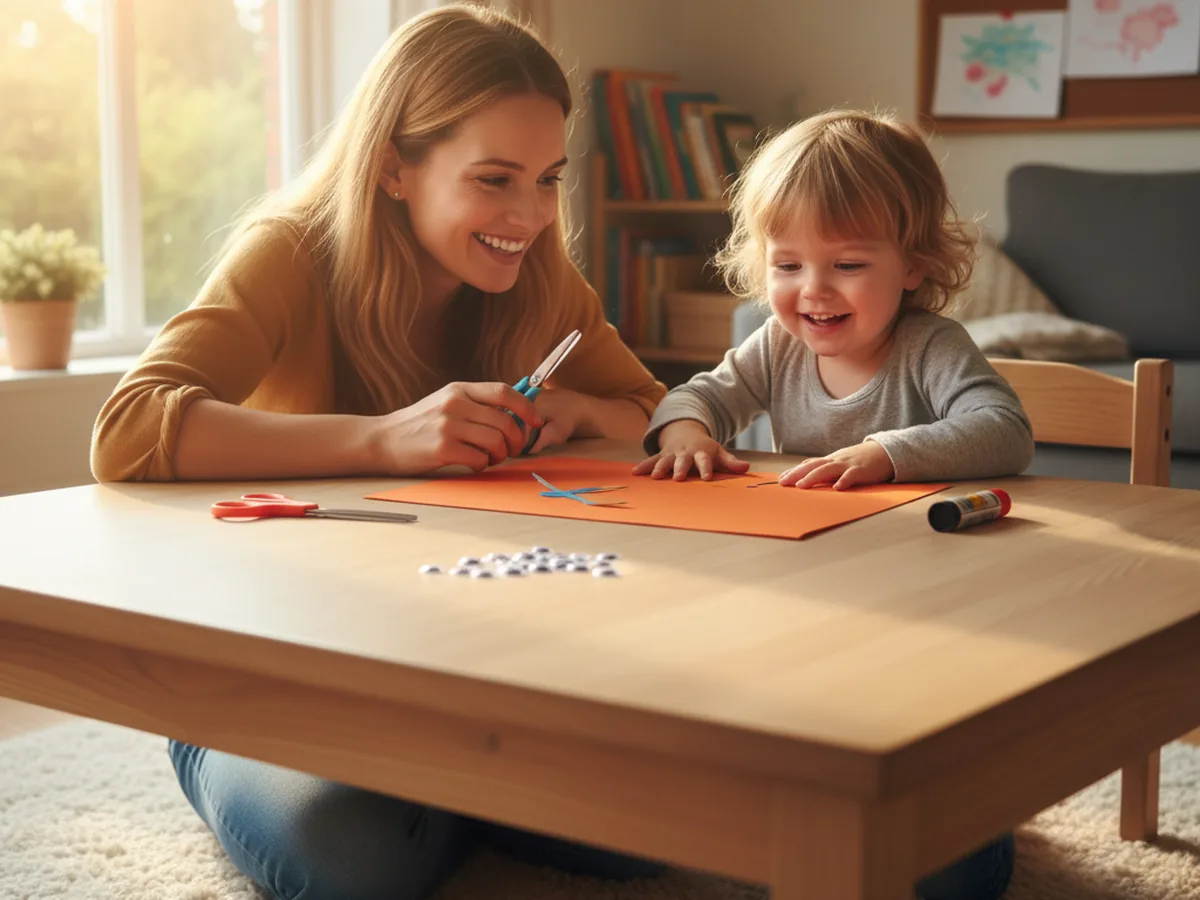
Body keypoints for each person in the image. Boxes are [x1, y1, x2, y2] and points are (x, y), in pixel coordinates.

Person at [91, 6, 668, 900]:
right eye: (495, 179)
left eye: (548, 179)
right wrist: (381, 439)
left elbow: (660, 415)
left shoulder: (543, 280)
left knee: (674, 824)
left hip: (466, 663)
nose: (529, 215)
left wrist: (574, 408)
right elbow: (129, 426)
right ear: (394, 167)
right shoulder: (289, 254)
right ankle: (415, 782)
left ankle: (451, 777)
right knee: (354, 863)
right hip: (271, 659)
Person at [635, 109, 1030, 898]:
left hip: (927, 612)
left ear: (914, 265)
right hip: (811, 601)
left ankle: (971, 828)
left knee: (949, 867)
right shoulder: (775, 347)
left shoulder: (930, 346)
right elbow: (700, 394)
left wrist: (887, 452)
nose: (811, 291)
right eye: (787, 265)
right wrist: (683, 429)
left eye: (847, 263)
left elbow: (1004, 429)